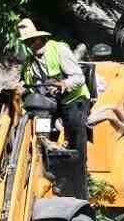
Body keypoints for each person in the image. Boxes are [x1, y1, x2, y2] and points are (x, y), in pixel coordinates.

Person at [16, 18, 92, 179]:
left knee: (75, 130)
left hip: (73, 99)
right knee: (39, 129)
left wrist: (64, 83)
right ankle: (45, 164)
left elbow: (79, 77)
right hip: (50, 103)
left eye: (33, 40)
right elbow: (24, 82)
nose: (31, 44)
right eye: (28, 42)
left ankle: (79, 171)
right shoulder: (29, 63)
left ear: (42, 38)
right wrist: (19, 88)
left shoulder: (59, 50)